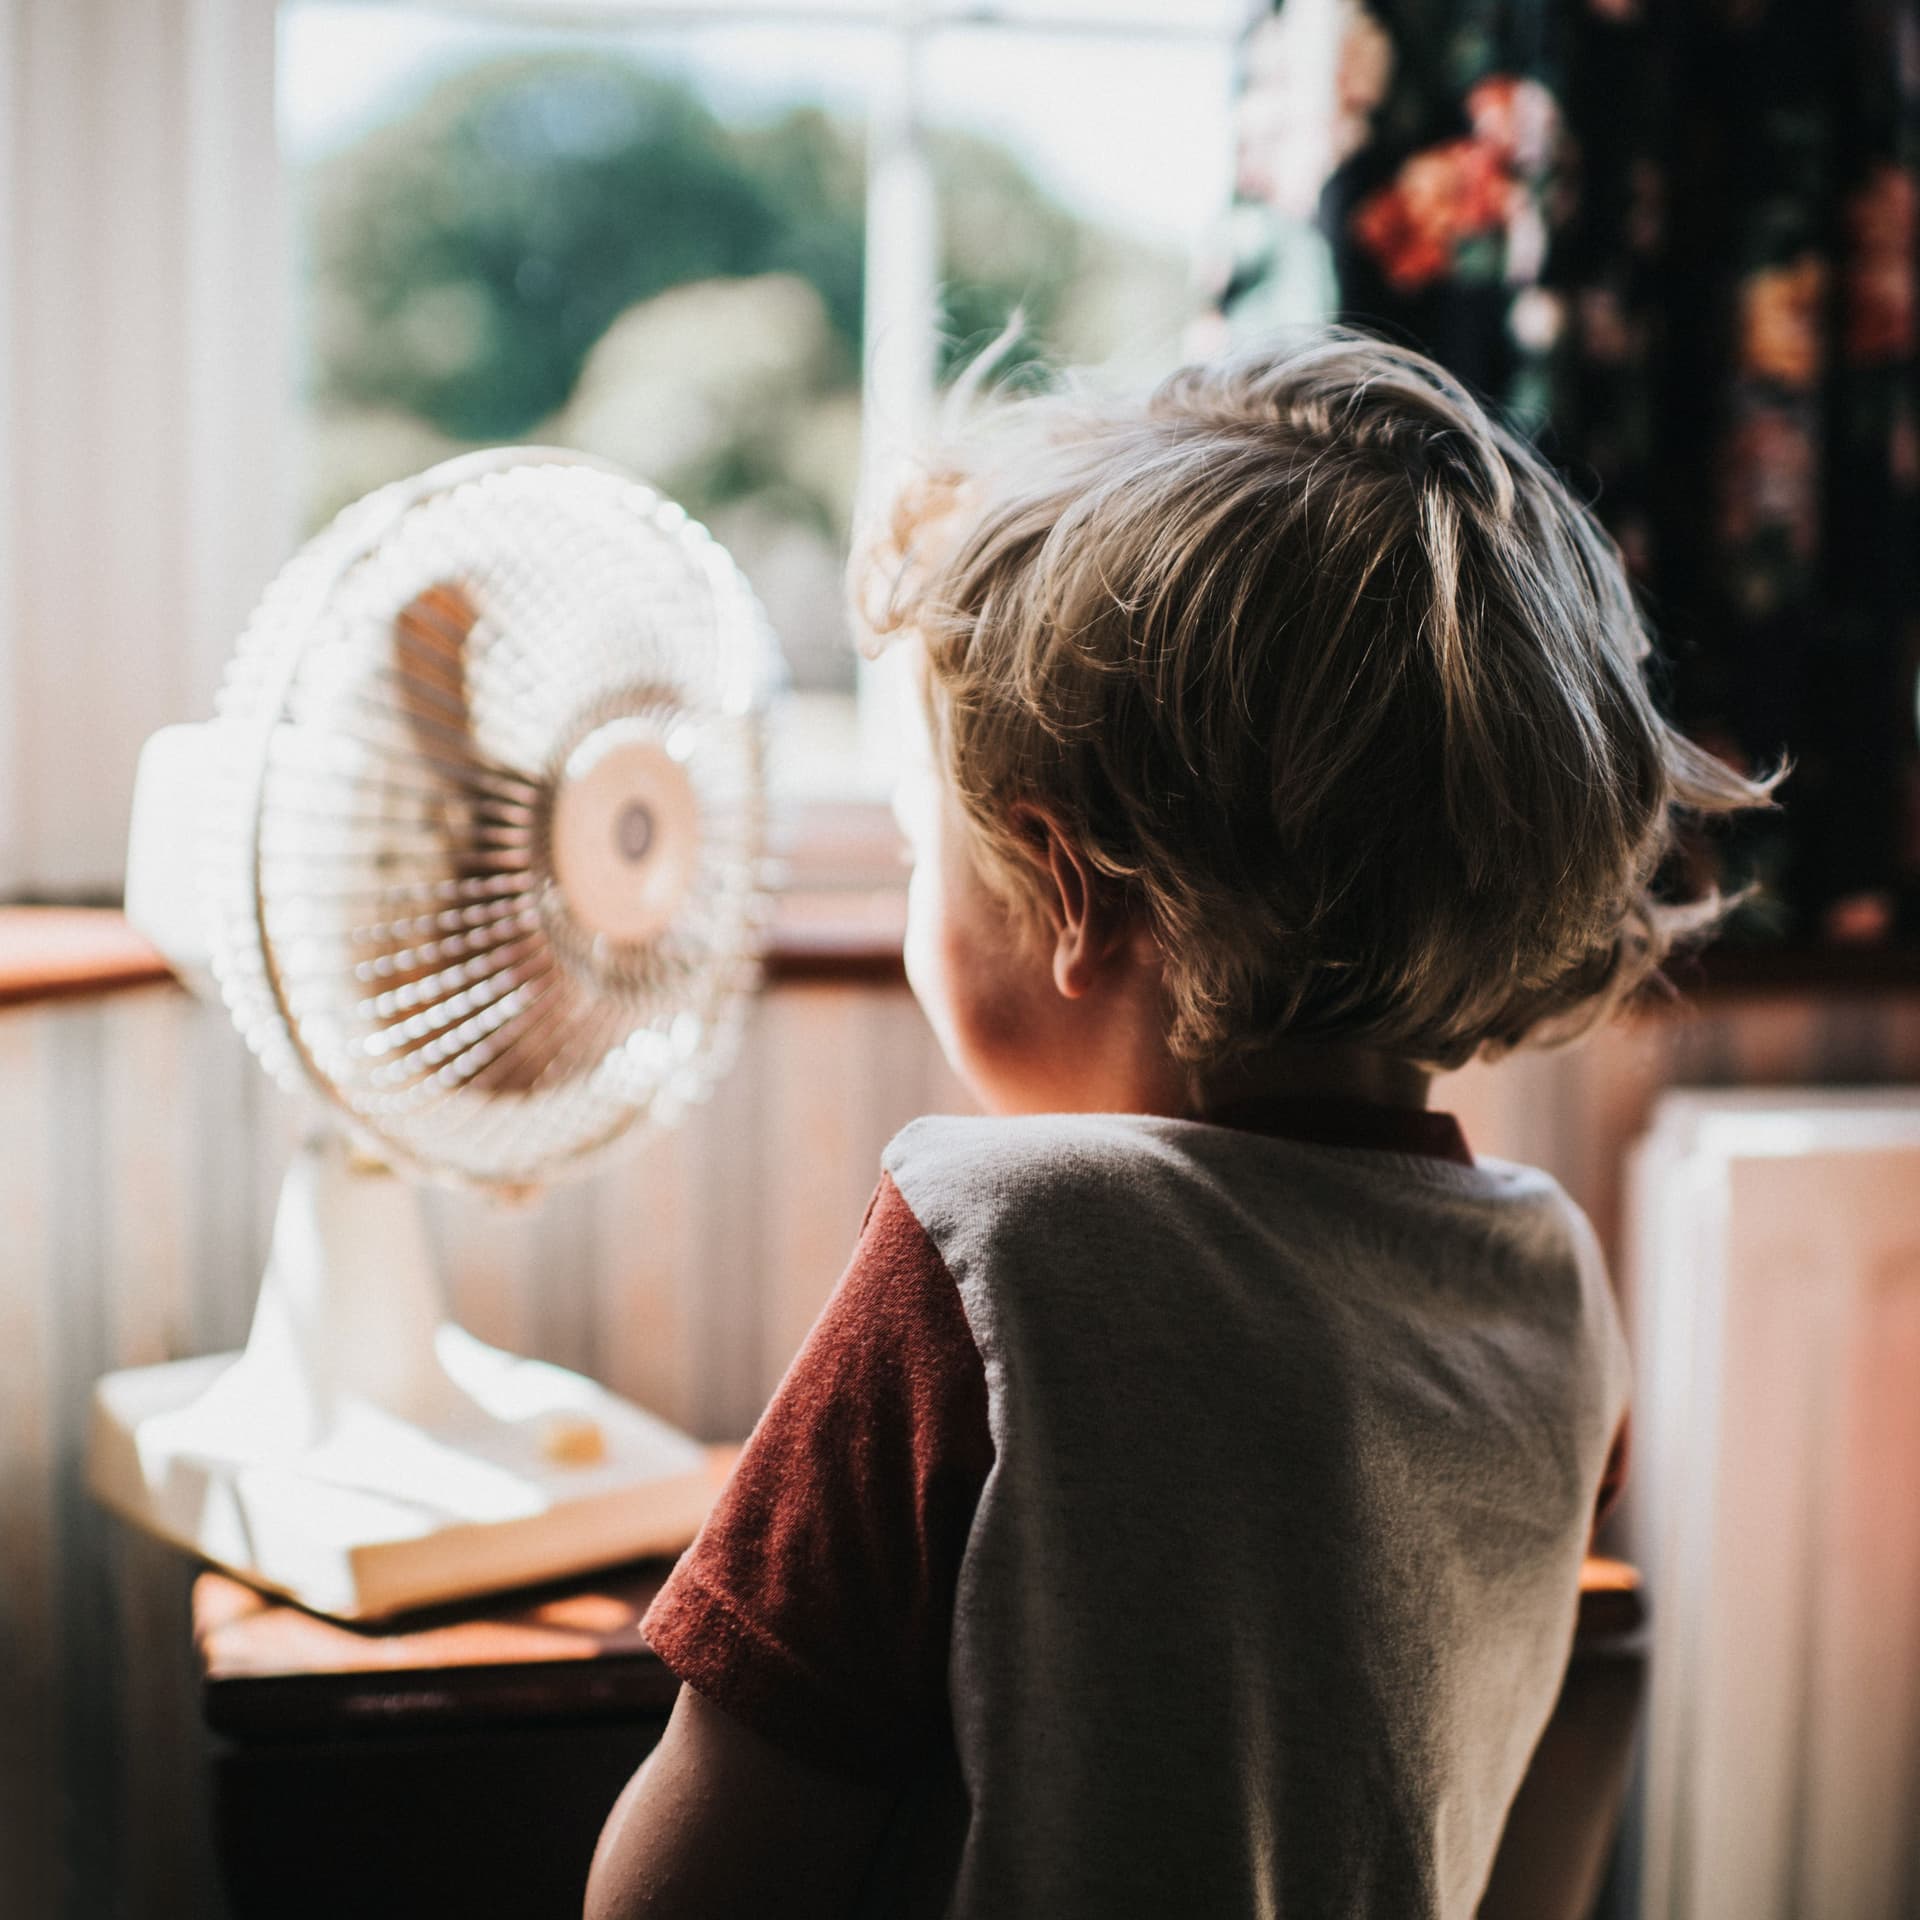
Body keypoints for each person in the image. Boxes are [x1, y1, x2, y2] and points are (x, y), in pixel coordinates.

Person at [583, 328, 1776, 1919]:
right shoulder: (1548, 1283)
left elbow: (688, 1883)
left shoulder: (994, 1249)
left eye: (920, 839)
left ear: (1066, 886)